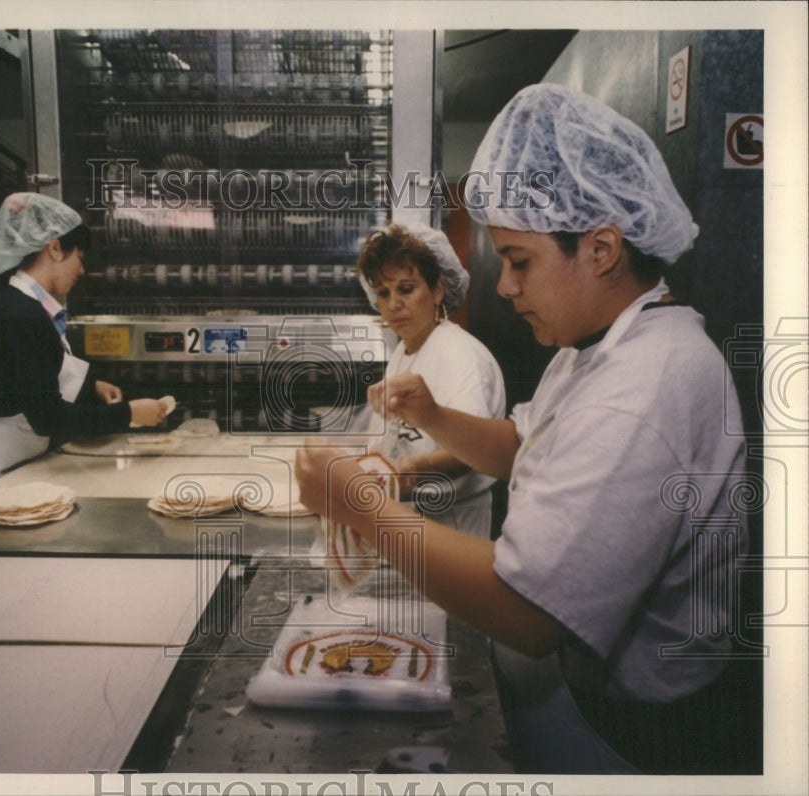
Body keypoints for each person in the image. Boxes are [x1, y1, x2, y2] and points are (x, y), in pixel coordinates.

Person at [295, 84, 755, 774]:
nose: (505, 288)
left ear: (601, 248)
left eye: (519, 262)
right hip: (574, 695)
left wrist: (360, 505)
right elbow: (521, 447)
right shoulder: (599, 349)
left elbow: (528, 615)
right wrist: (432, 415)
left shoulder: (645, 387)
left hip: (626, 733)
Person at [0, 192, 167, 482]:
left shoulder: (25, 307)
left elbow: (27, 376)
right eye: (79, 257)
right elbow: (48, 417)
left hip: (3, 458)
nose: (81, 270)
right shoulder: (18, 315)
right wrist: (130, 413)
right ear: (55, 249)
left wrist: (92, 385)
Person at [356, 222, 505, 537]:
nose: (394, 304)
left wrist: (406, 472)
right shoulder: (405, 352)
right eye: (383, 292)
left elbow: (471, 451)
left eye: (407, 289)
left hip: (452, 526)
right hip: (409, 522)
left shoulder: (460, 355)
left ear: (438, 290)